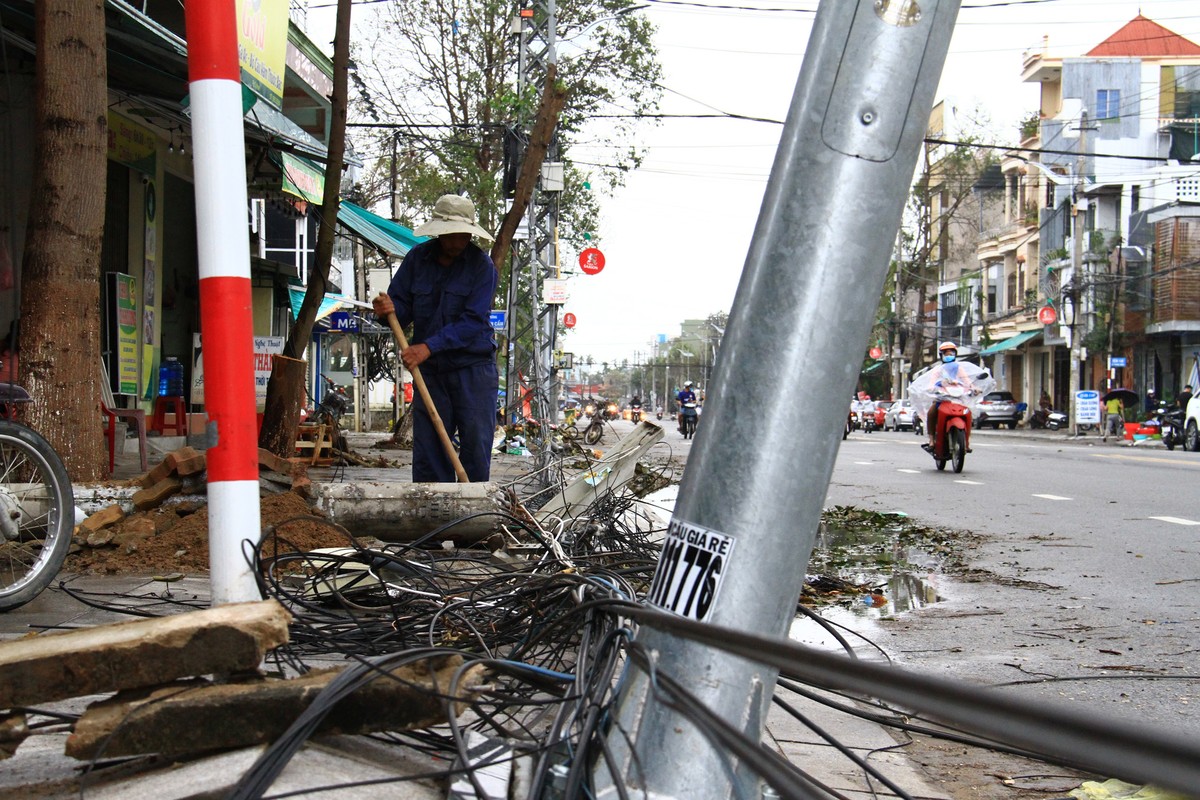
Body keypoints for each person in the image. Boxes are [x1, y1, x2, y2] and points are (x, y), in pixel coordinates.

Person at [372, 194, 498, 482]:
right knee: (431, 451)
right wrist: (387, 310)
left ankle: (473, 517)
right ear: (439, 232)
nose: (457, 242)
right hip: (430, 372)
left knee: (476, 447)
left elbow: (472, 322)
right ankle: (434, 520)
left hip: (473, 369)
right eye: (451, 235)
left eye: (463, 235)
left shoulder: (482, 267)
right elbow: (401, 309)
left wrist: (428, 347)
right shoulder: (417, 259)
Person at [922, 341, 976, 452]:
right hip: (942, 398)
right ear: (941, 355)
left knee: (968, 413)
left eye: (951, 353)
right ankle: (931, 439)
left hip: (958, 399)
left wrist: (973, 387)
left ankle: (966, 442)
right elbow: (932, 382)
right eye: (946, 354)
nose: (949, 356)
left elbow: (966, 380)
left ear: (955, 354)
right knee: (931, 413)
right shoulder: (938, 369)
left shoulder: (959, 368)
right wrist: (933, 387)